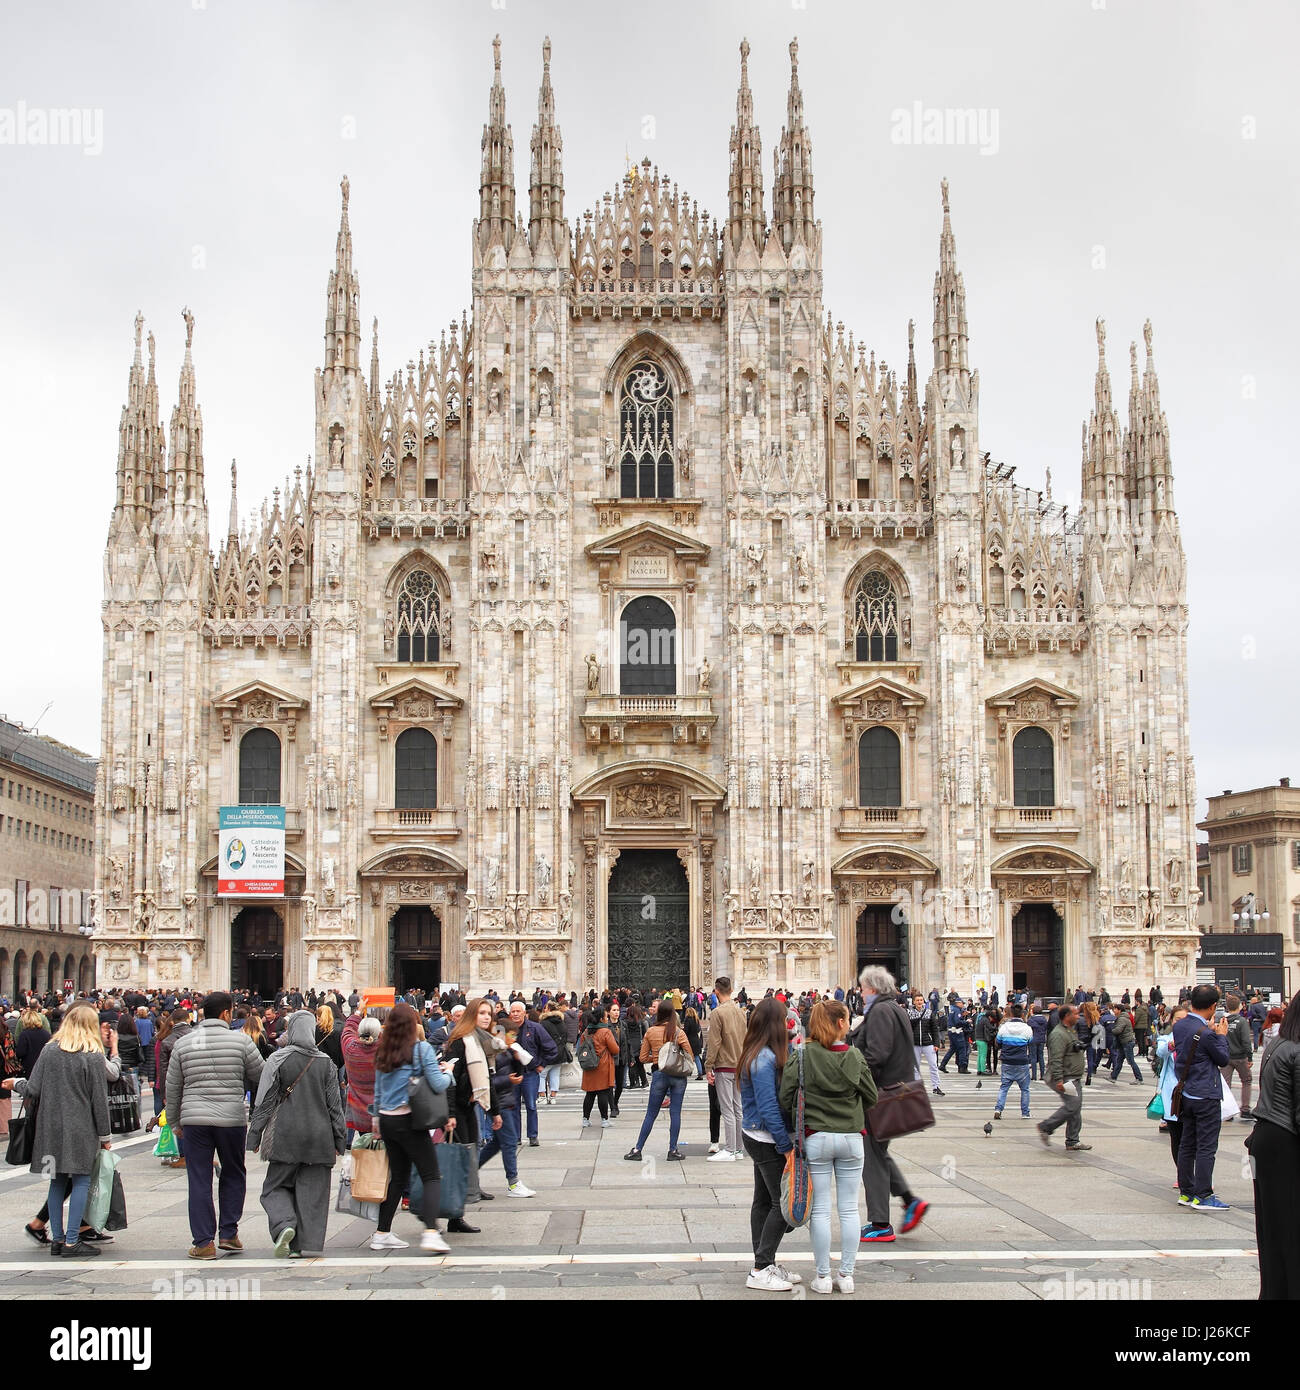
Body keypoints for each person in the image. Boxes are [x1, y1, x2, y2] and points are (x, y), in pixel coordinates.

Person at [781, 999, 877, 1294]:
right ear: (839, 1024)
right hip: (850, 1138)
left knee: (820, 1209)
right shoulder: (854, 1056)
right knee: (849, 1209)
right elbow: (871, 1096)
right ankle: (846, 1276)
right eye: (847, 1019)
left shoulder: (802, 1054)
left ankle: (822, 1277)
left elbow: (786, 1096)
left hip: (817, 1138)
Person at [166, 991, 265, 1258]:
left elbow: (173, 1087)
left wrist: (174, 1121)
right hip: (231, 1119)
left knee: (199, 1178)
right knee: (233, 1172)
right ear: (226, 1014)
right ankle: (229, 1233)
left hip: (194, 1120)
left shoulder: (184, 1044)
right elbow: (261, 1076)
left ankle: (203, 1243)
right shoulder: (241, 1042)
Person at [247, 1008, 348, 1257]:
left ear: (291, 1030)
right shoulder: (327, 1063)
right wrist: (339, 1139)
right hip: (320, 1136)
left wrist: (255, 1135)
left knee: (275, 1186)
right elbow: (335, 1107)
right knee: (313, 1192)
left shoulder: (278, 1059)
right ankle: (307, 1243)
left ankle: (284, 1225)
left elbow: (265, 1101)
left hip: (285, 1133)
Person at [22, 1003, 111, 1258]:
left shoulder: (49, 1051)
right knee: (81, 1179)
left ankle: (58, 1240)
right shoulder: (93, 1054)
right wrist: (105, 1136)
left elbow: (33, 1089)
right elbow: (98, 1100)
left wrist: (17, 1083)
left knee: (57, 1181)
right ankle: (73, 1241)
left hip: (49, 1126)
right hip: (81, 1127)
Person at [371, 1002, 456, 1252]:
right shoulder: (421, 1050)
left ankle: (381, 1233)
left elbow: (377, 1091)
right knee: (430, 1174)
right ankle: (430, 1231)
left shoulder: (383, 1051)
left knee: (398, 1177)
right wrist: (449, 1072)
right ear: (414, 1024)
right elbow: (439, 1085)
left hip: (387, 1120)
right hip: (410, 1119)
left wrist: (375, 1120)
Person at [853, 966, 928, 1243]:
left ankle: (880, 1222)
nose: (860, 994)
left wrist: (856, 1081)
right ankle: (910, 1201)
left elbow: (877, 1055)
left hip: (878, 1096)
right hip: (888, 1094)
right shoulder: (892, 1008)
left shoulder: (882, 1011)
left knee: (871, 1155)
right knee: (878, 1152)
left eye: (862, 988)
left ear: (872, 988)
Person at [738, 997, 799, 1292]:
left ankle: (765, 1263)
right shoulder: (763, 1059)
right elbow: (768, 1107)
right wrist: (785, 1145)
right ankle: (761, 1268)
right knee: (781, 1204)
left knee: (763, 1201)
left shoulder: (758, 1052)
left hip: (756, 1136)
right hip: (765, 1138)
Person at [1245, 993, 1300, 1297]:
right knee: (1291, 1224)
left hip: (1267, 1137)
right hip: (1285, 1140)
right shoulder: (1297, 1050)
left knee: (1273, 1225)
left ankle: (1275, 1291)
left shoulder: (1277, 1044)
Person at [1172, 983, 1231, 1210]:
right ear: (1213, 1006)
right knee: (1206, 1146)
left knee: (1187, 1143)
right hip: (1205, 1094)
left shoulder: (1181, 1025)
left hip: (1186, 1092)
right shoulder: (1207, 1034)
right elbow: (1223, 1059)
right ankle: (1204, 1194)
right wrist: (1221, 1036)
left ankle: (1186, 1192)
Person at [624, 1001, 693, 1162]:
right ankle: (673, 1150)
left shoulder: (651, 1032)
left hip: (659, 1074)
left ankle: (637, 1149)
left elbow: (642, 1058)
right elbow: (689, 1054)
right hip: (678, 1076)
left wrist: (657, 1059)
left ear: (658, 1014)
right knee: (675, 1113)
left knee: (651, 1113)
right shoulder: (678, 1032)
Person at [704, 976, 747, 1162]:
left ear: (716, 991)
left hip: (724, 1065)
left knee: (727, 1108)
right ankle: (738, 1149)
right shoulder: (741, 1012)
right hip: (739, 1065)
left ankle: (729, 1149)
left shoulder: (717, 1013)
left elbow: (714, 1042)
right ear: (731, 990)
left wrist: (708, 1066)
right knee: (738, 1108)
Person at [1038, 1003, 1090, 1151]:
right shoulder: (1058, 1034)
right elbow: (1056, 1058)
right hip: (1065, 1077)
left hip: (1072, 1076)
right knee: (1073, 1106)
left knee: (1075, 1107)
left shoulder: (1069, 1031)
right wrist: (1059, 1080)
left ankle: (1073, 1141)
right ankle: (1046, 1127)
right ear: (1067, 1016)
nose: (1078, 1016)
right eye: (1075, 1014)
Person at [507, 999, 557, 1145]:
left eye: (518, 1011)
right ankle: (516, 1137)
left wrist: (542, 1065)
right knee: (513, 1106)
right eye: (513, 1011)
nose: (515, 1014)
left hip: (529, 1073)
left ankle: (532, 1135)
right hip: (512, 1073)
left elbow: (551, 1048)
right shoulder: (506, 1030)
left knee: (531, 1105)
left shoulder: (535, 1028)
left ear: (524, 1013)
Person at [1152, 1004, 1190, 1177]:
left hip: (1191, 1094)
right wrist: (1172, 1045)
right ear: (1171, 1021)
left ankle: (1197, 1175)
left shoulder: (1196, 1038)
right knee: (1176, 1137)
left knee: (1192, 1138)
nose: (1181, 1023)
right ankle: (1182, 1174)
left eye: (1185, 1019)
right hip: (1173, 1096)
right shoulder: (1167, 1039)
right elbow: (1160, 1052)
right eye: (1177, 1019)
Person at [579, 1002, 617, 1128]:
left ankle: (585, 1119)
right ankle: (604, 1120)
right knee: (603, 1093)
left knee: (590, 1093)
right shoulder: (605, 1031)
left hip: (589, 1065)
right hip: (603, 1065)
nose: (607, 1019)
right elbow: (615, 1049)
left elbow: (581, 1048)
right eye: (606, 1016)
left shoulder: (586, 1032)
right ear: (601, 1018)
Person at [993, 1004, 1035, 1119]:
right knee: (1025, 1089)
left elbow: (998, 1042)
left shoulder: (1004, 1027)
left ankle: (998, 1109)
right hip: (1021, 1061)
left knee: (1004, 1087)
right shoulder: (1027, 1028)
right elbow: (1030, 1042)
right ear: (1022, 1014)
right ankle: (1025, 1112)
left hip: (1007, 1061)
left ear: (1011, 1014)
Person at [1220, 994, 1255, 1118]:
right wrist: (1249, 1057)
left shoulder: (1223, 1020)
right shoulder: (1242, 1021)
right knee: (1246, 1081)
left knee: (1225, 1083)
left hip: (1226, 1057)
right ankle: (1245, 1109)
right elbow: (1246, 1041)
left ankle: (1227, 1110)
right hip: (1240, 1057)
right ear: (1239, 1006)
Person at [906, 991, 943, 1096]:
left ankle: (936, 1086)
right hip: (915, 1043)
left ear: (924, 1001)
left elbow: (934, 1029)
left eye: (921, 1000)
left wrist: (936, 1044)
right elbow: (907, 1028)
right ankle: (917, 1087)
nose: (919, 1002)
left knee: (933, 1065)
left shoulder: (929, 1012)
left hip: (928, 1043)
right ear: (913, 1002)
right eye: (917, 1000)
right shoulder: (909, 1013)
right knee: (915, 1067)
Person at [538, 998, 569, 1103]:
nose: (544, 1009)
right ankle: (553, 1097)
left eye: (545, 1007)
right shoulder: (562, 1022)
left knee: (541, 1074)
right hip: (560, 1052)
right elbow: (565, 1037)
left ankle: (542, 1096)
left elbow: (541, 1039)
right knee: (555, 1074)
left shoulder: (543, 1023)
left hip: (548, 1053)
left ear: (549, 1009)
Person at [1109, 1003, 1144, 1084]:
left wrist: (1111, 1030)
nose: (1114, 1011)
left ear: (1119, 1010)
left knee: (1131, 1061)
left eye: (1115, 1009)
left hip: (1127, 1042)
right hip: (1124, 1042)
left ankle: (1139, 1078)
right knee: (1119, 1060)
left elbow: (1118, 1030)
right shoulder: (1122, 1017)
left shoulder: (1122, 1019)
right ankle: (1113, 1077)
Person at [606, 999, 627, 1118]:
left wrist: (630, 1059)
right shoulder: (606, 1026)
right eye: (614, 1010)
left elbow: (626, 1042)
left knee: (620, 1084)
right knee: (610, 1084)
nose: (616, 1012)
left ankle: (615, 1101)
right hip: (610, 1059)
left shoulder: (623, 1025)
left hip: (622, 1058)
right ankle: (613, 1107)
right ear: (608, 1012)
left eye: (618, 1010)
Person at [683, 1006, 705, 1079]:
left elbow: (686, 1031)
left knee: (687, 1057)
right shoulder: (696, 1020)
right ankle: (700, 1073)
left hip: (690, 1040)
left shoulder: (687, 1020)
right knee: (696, 1057)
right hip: (696, 1040)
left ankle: (687, 1071)